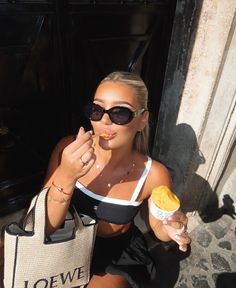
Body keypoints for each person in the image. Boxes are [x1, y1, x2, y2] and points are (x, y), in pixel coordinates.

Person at [42, 71, 191, 288]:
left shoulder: (154, 174)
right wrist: (66, 175)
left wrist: (171, 229)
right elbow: (44, 224)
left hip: (115, 252)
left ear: (142, 120)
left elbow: (159, 224)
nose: (104, 120)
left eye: (119, 113)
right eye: (97, 109)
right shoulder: (67, 148)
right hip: (65, 240)